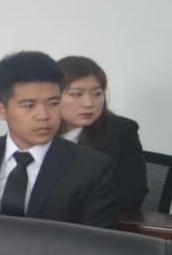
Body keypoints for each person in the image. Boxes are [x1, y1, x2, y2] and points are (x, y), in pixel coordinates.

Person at [0, 51, 118, 227]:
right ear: (1, 110)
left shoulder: (93, 169)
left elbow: (96, 241)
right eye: (29, 106)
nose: (44, 115)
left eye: (53, 104)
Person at [56, 56, 147, 212]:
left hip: (92, 222)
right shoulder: (35, 131)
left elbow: (132, 196)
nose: (89, 103)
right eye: (77, 94)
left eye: (97, 94)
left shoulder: (121, 132)